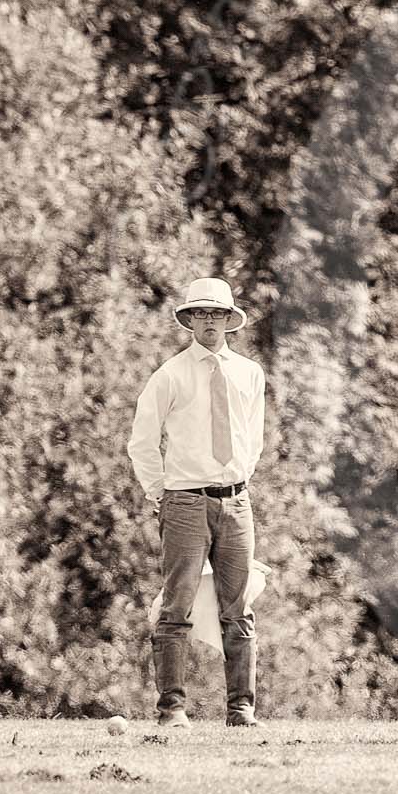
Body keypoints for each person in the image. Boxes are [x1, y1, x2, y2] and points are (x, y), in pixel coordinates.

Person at [127, 277, 267, 727]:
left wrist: (240, 481)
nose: (209, 321)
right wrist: (159, 494)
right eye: (200, 314)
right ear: (189, 321)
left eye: (217, 314)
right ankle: (172, 708)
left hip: (236, 501)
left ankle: (241, 707)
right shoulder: (170, 375)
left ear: (230, 320)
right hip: (185, 500)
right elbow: (142, 442)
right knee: (177, 607)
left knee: (238, 608)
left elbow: (253, 438)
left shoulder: (249, 373)